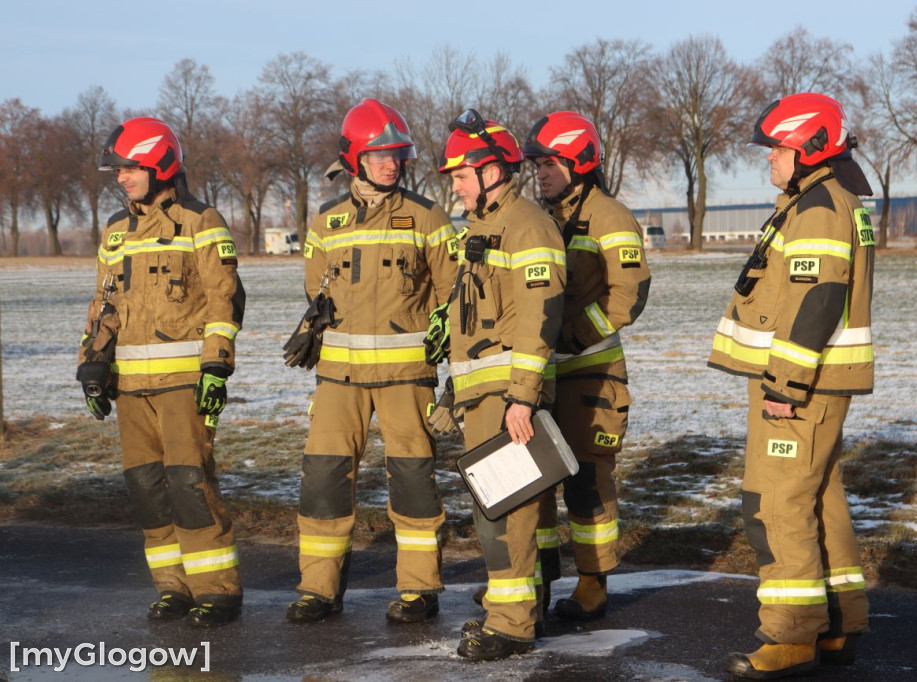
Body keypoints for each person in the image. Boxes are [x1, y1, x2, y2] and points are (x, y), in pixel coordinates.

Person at [707, 93, 875, 679]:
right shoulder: (821, 201)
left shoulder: (818, 208)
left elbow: (817, 300)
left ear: (808, 147)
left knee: (776, 505)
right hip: (814, 386)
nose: (769, 160)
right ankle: (838, 623)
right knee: (820, 501)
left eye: (776, 148)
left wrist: (784, 382)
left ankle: (791, 637)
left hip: (800, 388)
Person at [283, 98, 458, 625]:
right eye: (381, 155)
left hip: (408, 379)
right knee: (323, 482)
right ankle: (318, 590)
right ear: (355, 158)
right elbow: (316, 287)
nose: (393, 164)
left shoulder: (428, 216)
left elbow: (452, 291)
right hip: (338, 379)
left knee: (412, 481)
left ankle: (419, 591)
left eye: (398, 155)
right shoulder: (326, 221)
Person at [77, 117, 246, 627]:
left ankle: (217, 591)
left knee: (189, 484)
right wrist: (93, 362)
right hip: (131, 390)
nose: (122, 177)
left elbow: (226, 297)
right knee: (147, 489)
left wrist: (217, 365)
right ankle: (172, 588)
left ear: (159, 166)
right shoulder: (115, 230)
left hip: (184, 385)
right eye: (118, 170)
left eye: (130, 168)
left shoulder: (201, 221)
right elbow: (103, 302)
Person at [436, 109, 565, 660]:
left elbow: (539, 320)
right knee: (498, 507)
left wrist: (521, 399)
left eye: (461, 176)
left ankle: (512, 624)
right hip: (484, 396)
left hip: (510, 398)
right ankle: (509, 611)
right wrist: (454, 388)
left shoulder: (528, 226)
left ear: (491, 171)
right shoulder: (484, 227)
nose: (456, 187)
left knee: (512, 509)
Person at [522, 111, 650, 620]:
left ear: (580, 162)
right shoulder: (541, 218)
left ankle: (593, 584)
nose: (541, 173)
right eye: (537, 164)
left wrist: (574, 336)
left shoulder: (610, 217)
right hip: (542, 375)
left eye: (550, 163)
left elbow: (629, 295)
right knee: (534, 479)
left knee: (585, 480)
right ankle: (536, 578)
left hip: (590, 374)